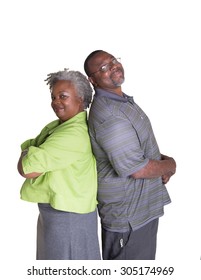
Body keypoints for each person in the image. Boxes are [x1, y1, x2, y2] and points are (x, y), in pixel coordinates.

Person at [84, 50, 176, 260]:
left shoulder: (120, 102)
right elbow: (137, 169)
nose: (113, 66)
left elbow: (134, 149)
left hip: (141, 211)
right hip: (129, 218)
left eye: (113, 60)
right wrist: (170, 165)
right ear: (92, 80)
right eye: (104, 67)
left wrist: (161, 162)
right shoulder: (110, 115)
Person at [17, 69, 101, 260]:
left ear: (81, 99)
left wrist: (28, 151)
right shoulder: (60, 127)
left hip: (69, 218)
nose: (55, 102)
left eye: (63, 96)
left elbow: (27, 169)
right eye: (53, 96)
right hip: (57, 213)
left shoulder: (73, 134)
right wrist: (30, 151)